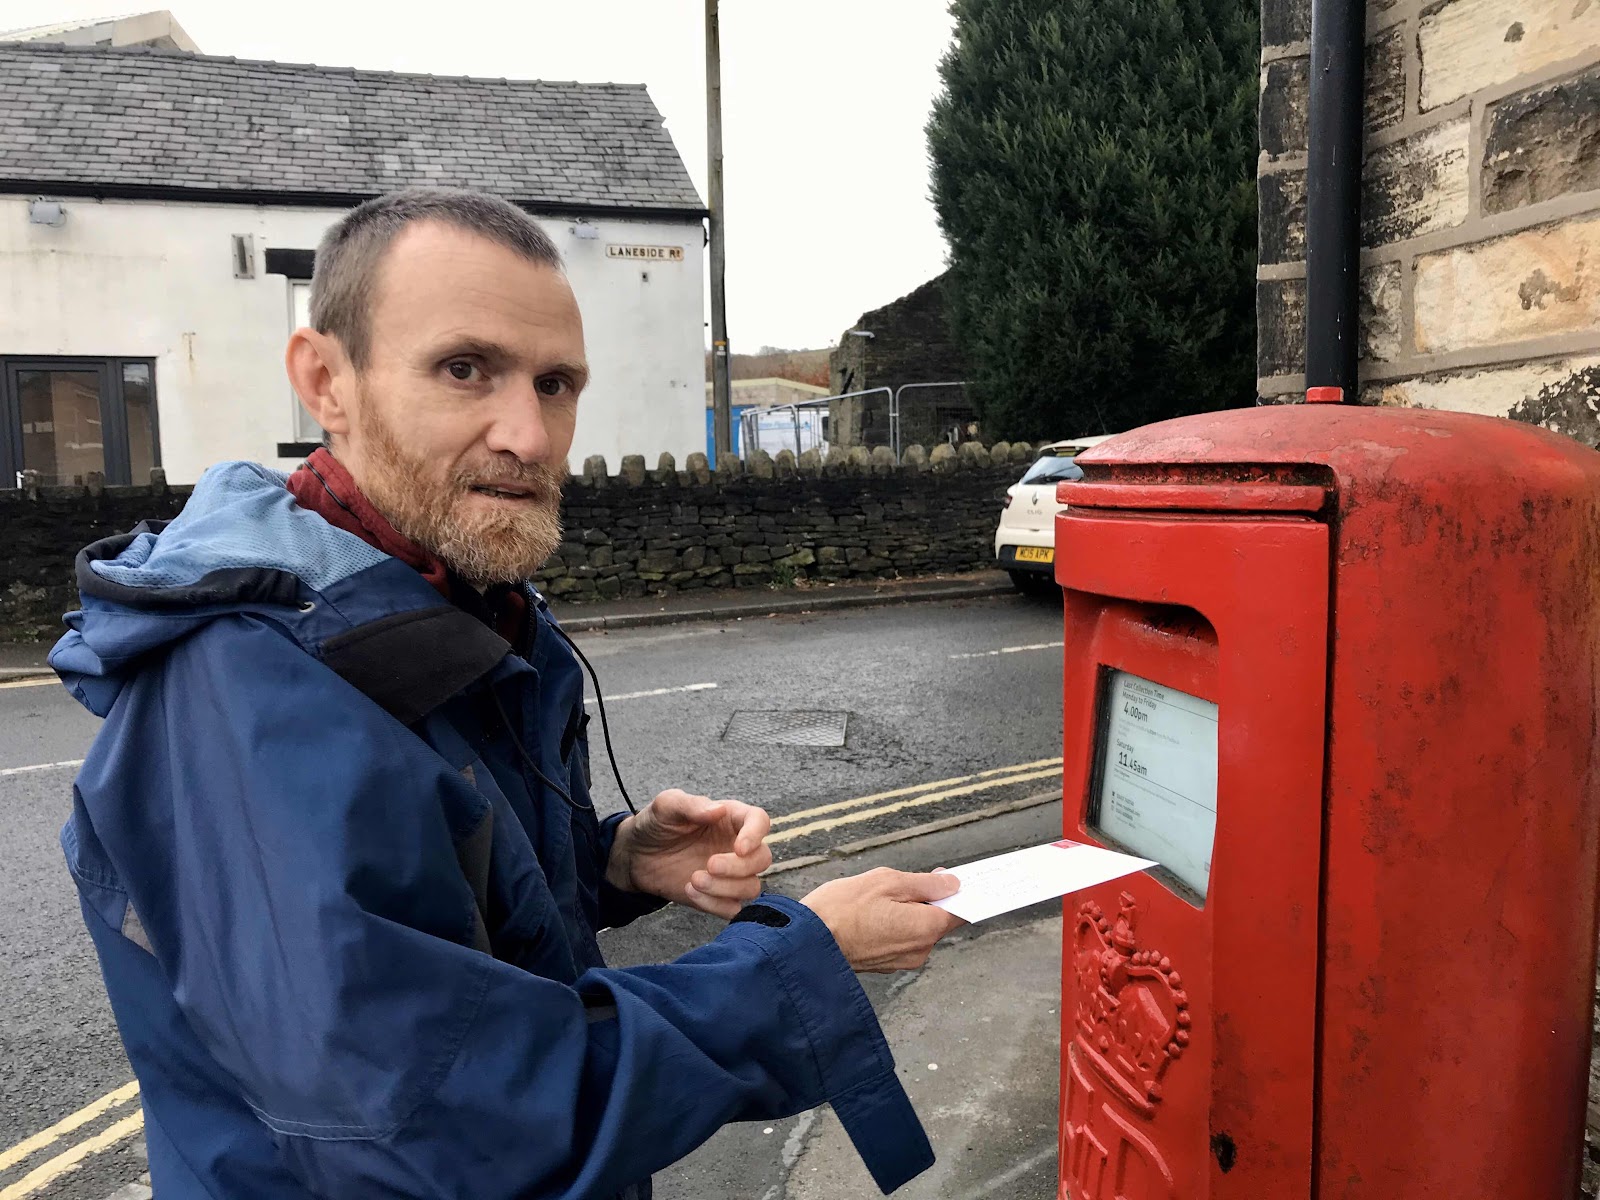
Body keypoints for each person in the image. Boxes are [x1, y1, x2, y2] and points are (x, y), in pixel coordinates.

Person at [49, 187, 965, 1200]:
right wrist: (799, 970)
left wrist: (611, 862)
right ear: (325, 381)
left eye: (556, 383)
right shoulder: (249, 686)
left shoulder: (446, 600)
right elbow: (438, 1126)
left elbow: (439, 901)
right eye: (464, 368)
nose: (529, 435)